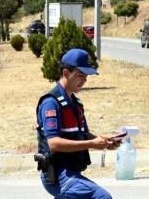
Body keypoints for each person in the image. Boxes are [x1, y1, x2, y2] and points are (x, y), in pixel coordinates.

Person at [35, 48, 119, 198]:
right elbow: (54, 143)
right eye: (80, 75)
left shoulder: (75, 102)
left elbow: (83, 134)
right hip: (58, 175)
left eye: (86, 76)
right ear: (66, 73)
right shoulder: (51, 103)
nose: (85, 80)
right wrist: (92, 144)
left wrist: (105, 141)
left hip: (71, 171)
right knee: (102, 197)